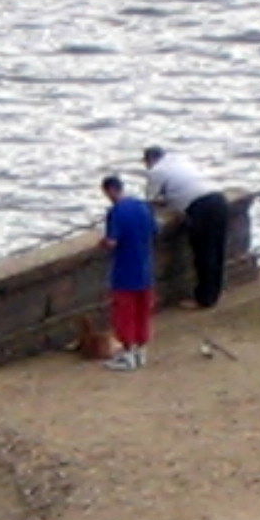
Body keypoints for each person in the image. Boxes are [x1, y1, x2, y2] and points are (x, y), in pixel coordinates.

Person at [142, 145, 232, 309]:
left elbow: (150, 200)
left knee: (203, 253)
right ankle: (215, 292)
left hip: (201, 208)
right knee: (217, 250)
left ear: (149, 160)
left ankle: (204, 299)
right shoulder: (179, 160)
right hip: (219, 200)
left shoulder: (156, 170)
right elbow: (184, 188)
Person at [98, 174, 157, 372]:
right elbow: (155, 230)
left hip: (125, 271)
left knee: (124, 313)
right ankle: (141, 351)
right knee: (143, 312)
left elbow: (112, 241)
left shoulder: (116, 212)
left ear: (110, 190)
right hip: (145, 268)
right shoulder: (143, 206)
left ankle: (127, 354)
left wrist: (103, 243)